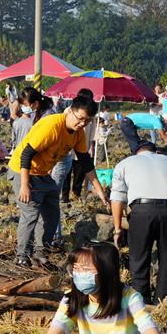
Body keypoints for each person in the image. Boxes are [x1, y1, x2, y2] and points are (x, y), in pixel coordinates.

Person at [8, 93, 108, 267]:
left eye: (87, 121)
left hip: (42, 173)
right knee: (31, 212)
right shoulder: (52, 125)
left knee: (52, 213)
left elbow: (86, 163)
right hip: (22, 170)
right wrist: (24, 186)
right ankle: (22, 255)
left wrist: (100, 193)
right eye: (80, 119)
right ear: (70, 111)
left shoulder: (78, 134)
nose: (82, 124)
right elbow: (26, 154)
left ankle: (40, 252)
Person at [110, 140, 167, 304]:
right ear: (156, 152)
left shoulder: (125, 163)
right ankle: (164, 302)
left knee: (139, 258)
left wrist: (117, 228)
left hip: (141, 211)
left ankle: (140, 302)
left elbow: (117, 198)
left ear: (136, 153)